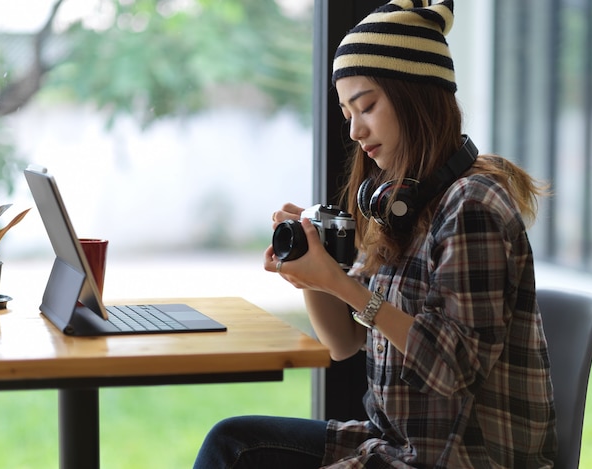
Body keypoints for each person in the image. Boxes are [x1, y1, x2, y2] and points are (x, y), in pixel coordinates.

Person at [193, 1, 557, 467]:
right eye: (347, 112)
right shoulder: (401, 202)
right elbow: (343, 342)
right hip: (395, 443)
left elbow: (455, 368)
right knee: (232, 441)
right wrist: (313, 272)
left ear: (416, 95)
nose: (355, 129)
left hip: (462, 456)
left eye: (367, 106)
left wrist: (342, 284)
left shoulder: (472, 206)